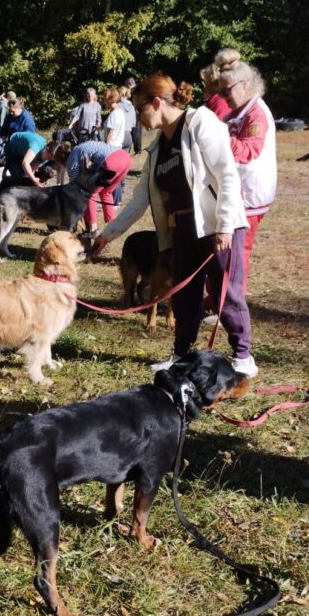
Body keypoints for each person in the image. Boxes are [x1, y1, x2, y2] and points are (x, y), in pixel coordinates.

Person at [90, 73, 258, 378]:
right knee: (184, 297)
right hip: (182, 230)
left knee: (225, 293)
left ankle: (243, 357)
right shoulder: (157, 148)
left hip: (218, 226)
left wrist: (223, 226)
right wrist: (108, 234)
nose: (137, 118)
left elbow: (227, 174)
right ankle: (181, 355)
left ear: (157, 103)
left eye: (140, 110)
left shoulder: (201, 124)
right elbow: (140, 200)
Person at [215, 48, 277, 293]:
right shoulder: (236, 112)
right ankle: (218, 299)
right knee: (225, 251)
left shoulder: (256, 114)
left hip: (250, 197)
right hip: (236, 194)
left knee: (237, 254)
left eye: (226, 91)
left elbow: (249, 150)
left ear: (246, 84)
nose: (222, 97)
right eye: (220, 91)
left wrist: (215, 139)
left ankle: (231, 303)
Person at [67, 137, 131, 237]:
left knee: (91, 193)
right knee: (106, 192)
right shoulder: (86, 146)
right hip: (126, 158)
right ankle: (112, 227)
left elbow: (74, 182)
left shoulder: (72, 155)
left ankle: (93, 229)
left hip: (111, 160)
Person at [0, 90, 16, 158]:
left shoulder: (2, 103)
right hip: (0, 130)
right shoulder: (4, 105)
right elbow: (1, 120)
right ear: (10, 98)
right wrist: (3, 132)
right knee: (0, 145)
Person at [124, 76, 143, 154]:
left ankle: (138, 150)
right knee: (136, 132)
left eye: (126, 85)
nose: (125, 87)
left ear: (129, 84)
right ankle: (136, 149)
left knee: (136, 132)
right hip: (135, 113)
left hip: (135, 114)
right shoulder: (138, 90)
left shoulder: (134, 91)